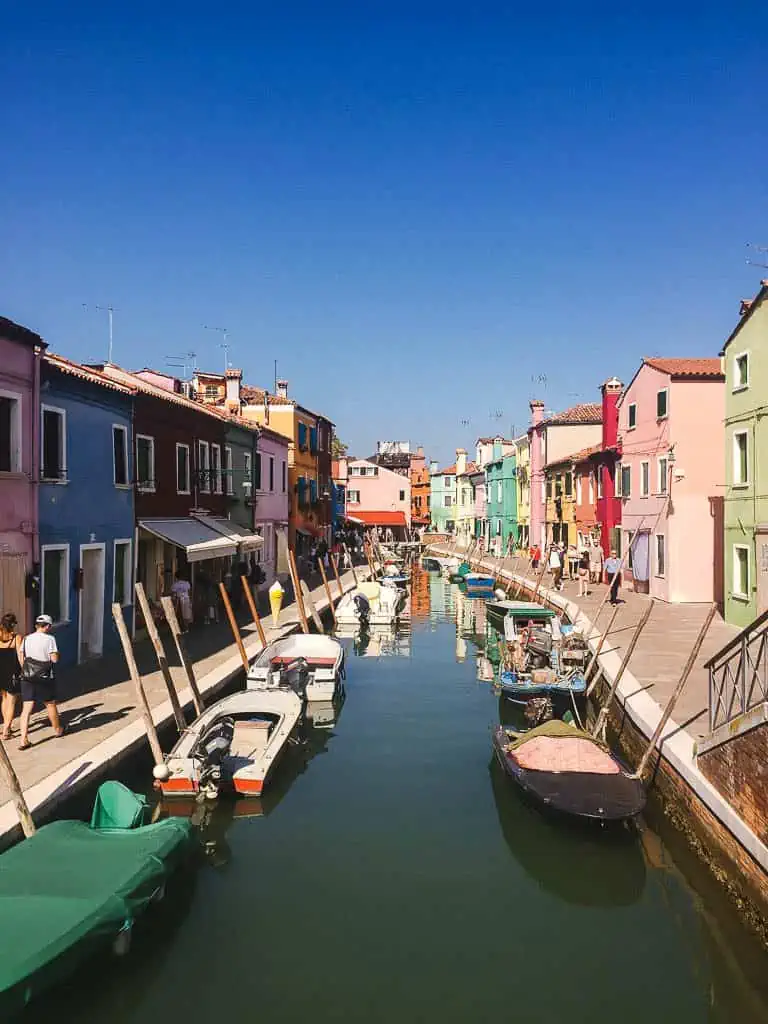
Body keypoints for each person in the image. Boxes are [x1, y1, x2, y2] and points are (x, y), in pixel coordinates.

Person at [18, 614, 63, 749]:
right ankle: (57, 730)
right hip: (44, 676)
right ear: (48, 626)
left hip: (27, 676)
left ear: (36, 625)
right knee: (50, 704)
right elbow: (54, 659)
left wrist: (25, 669)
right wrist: (57, 655)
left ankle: (23, 739)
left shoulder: (26, 639)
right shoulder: (50, 639)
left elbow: (21, 655)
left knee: (26, 708)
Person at [0, 612, 23, 740]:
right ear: (13, 625)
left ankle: (5, 725)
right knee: (12, 701)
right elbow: (20, 657)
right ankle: (6, 730)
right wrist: (25, 670)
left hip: (0, 671)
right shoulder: (17, 638)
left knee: (4, 698)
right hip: (12, 672)